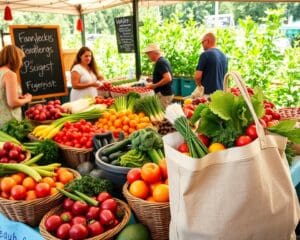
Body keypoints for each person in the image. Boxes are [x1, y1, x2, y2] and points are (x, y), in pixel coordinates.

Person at [0, 45, 32, 127]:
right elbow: (12, 103)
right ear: (15, 59)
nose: (21, 63)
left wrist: (18, 98)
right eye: (21, 59)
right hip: (10, 123)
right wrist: (27, 99)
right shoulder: (10, 74)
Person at [144, 43, 174, 108]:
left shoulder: (160, 62)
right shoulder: (163, 60)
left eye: (148, 54)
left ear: (153, 53)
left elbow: (168, 78)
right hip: (165, 93)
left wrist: (155, 85)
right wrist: (153, 79)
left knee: (161, 115)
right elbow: (164, 76)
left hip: (164, 94)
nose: (148, 56)